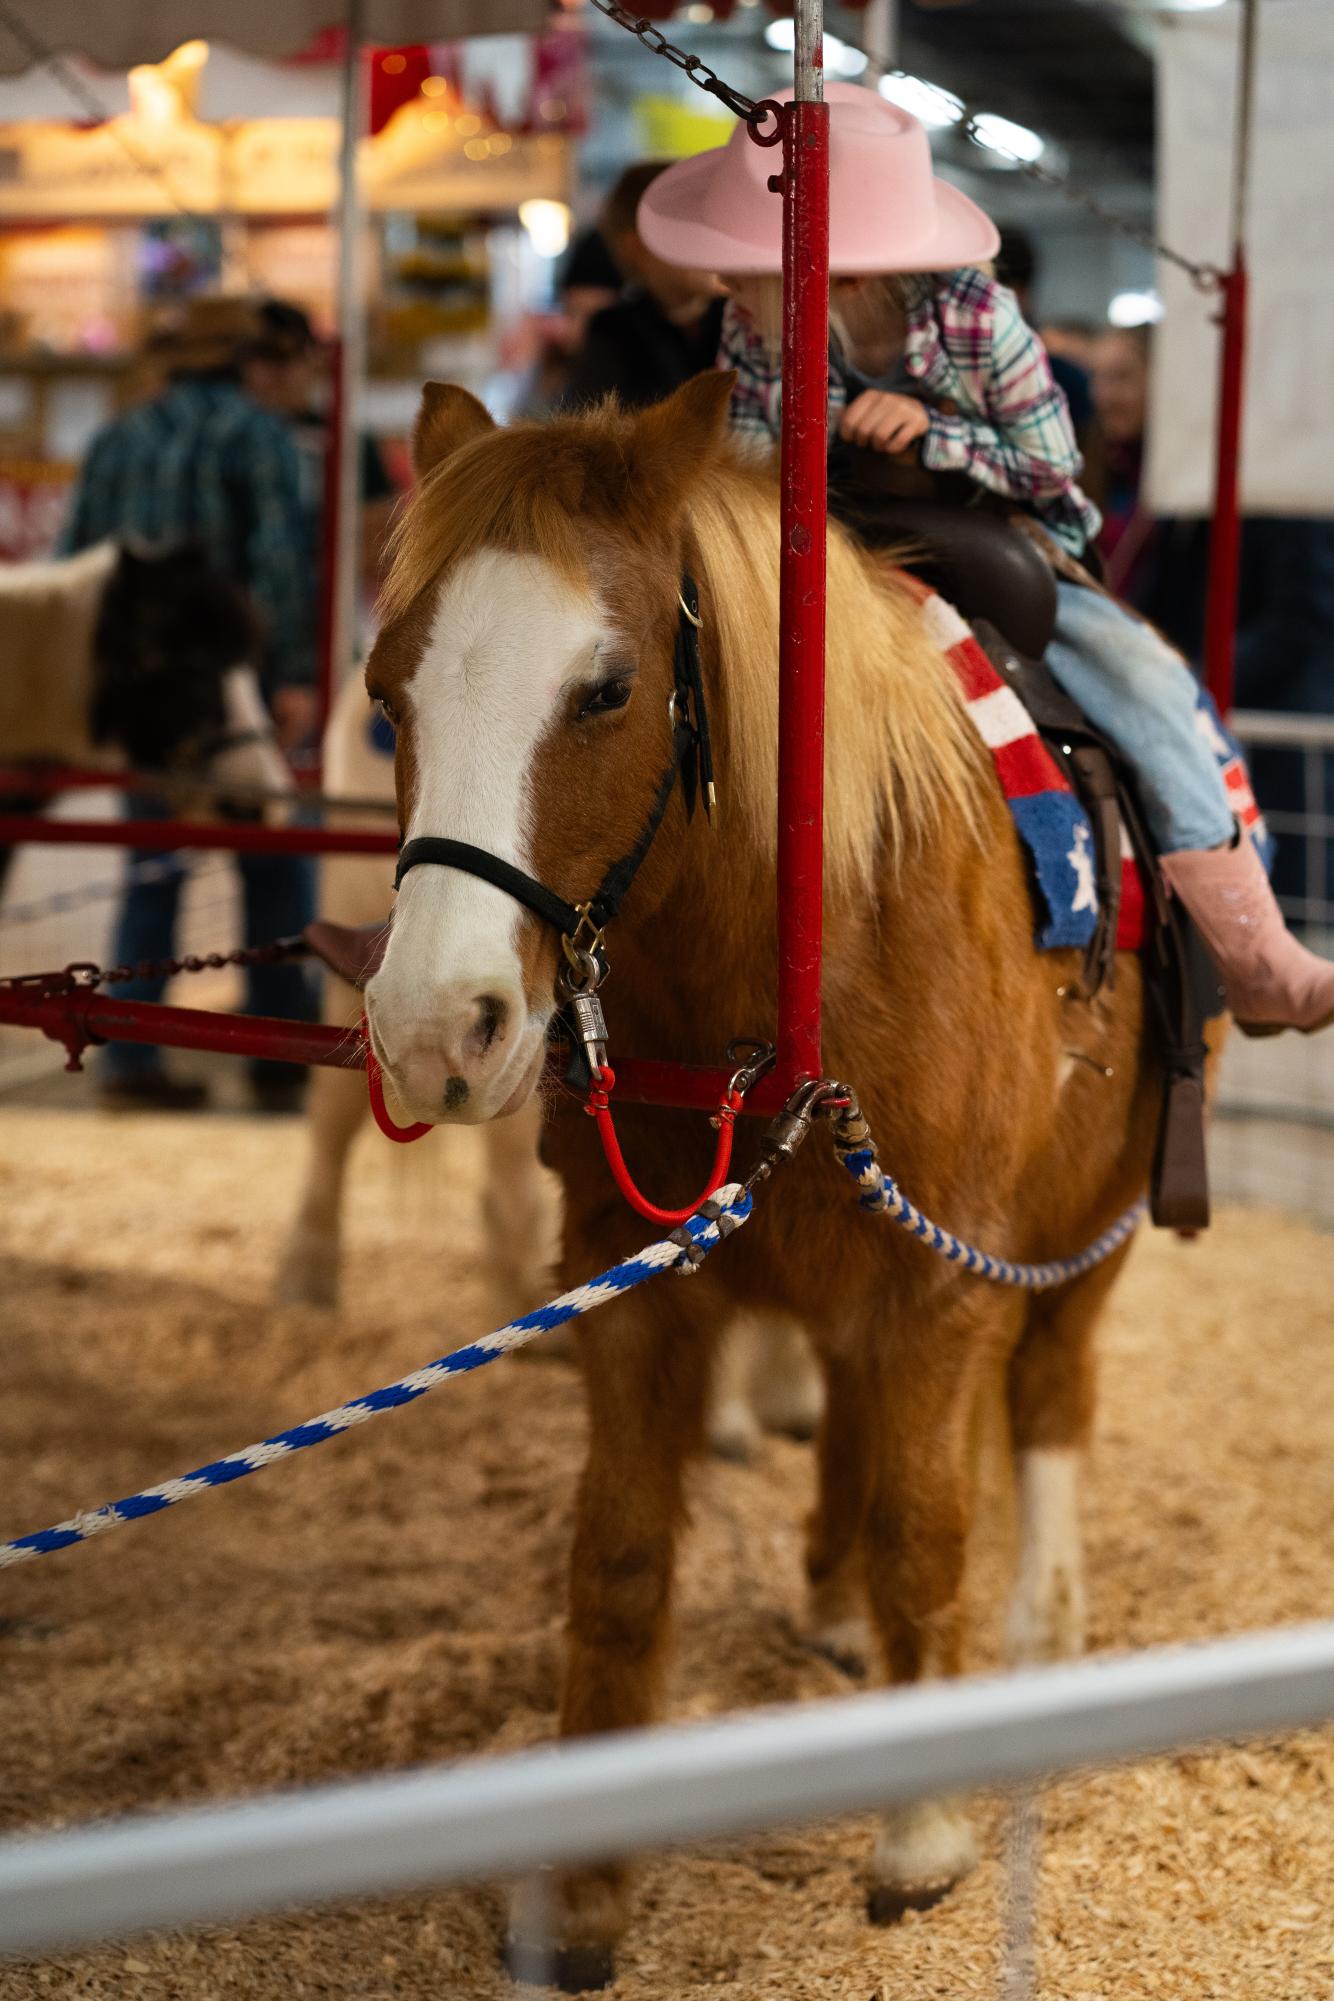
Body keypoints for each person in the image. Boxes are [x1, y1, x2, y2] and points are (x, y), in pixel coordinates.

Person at [637, 82, 1334, 1035]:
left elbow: (1053, 477)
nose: (726, 285)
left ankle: (1251, 943)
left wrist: (936, 436)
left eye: (749, 267)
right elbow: (752, 470)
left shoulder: (979, 321)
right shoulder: (754, 331)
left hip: (990, 538)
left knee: (1137, 671)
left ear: (833, 277)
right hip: (826, 547)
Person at [60, 294, 319, 1112]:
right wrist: (291, 678)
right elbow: (279, 569)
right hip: (234, 693)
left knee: (152, 868)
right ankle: (278, 1054)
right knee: (274, 868)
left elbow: (76, 567)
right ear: (247, 360)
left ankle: (132, 1063)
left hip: (143, 698)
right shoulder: (258, 436)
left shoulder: (116, 436)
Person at [562, 162, 727, 412]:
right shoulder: (613, 331)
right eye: (689, 228)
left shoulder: (741, 318)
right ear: (638, 248)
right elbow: (591, 428)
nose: (711, 240)